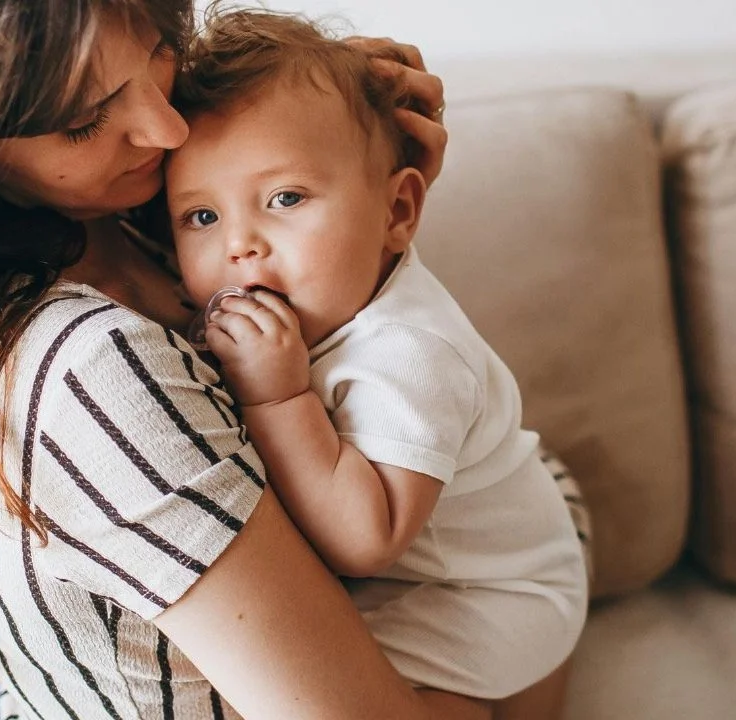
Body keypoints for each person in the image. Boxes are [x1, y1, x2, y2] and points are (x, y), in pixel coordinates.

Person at [0, 0, 575, 718]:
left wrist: (350, 183)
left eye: (159, 47)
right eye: (87, 119)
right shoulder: (92, 366)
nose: (167, 129)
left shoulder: (121, 222)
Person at [163, 7, 590, 714]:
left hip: (490, 595)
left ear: (396, 212)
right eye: (200, 217)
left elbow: (367, 540)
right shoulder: (268, 301)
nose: (240, 245)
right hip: (447, 572)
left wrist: (278, 400)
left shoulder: (411, 353)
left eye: (285, 198)